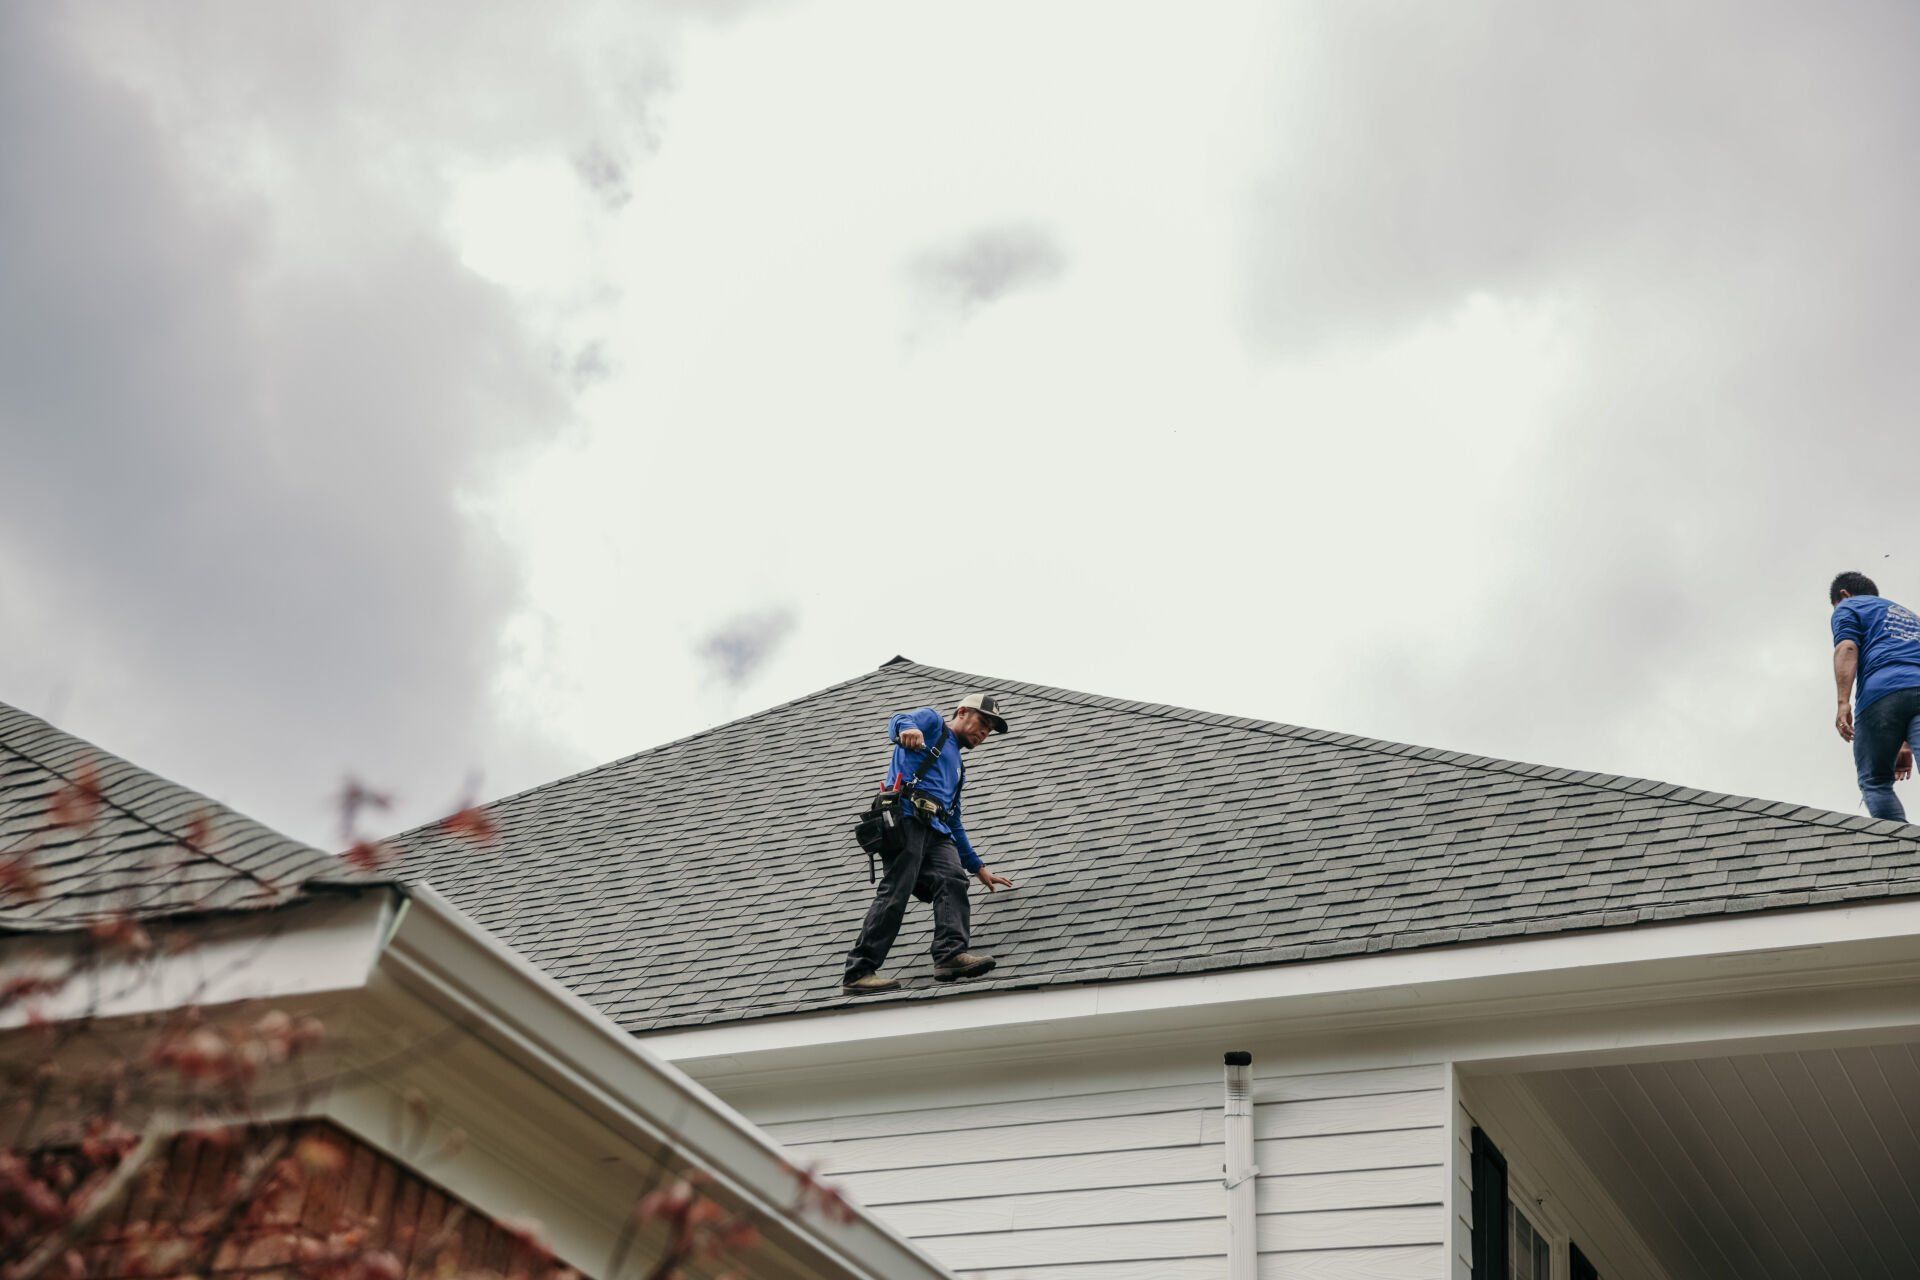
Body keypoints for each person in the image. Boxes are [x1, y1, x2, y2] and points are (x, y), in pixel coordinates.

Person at [842, 692, 1016, 994]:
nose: (984, 733)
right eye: (982, 723)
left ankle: (949, 955)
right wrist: (906, 730)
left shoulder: (958, 769)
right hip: (907, 818)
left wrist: (978, 867)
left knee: (953, 879)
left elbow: (955, 821)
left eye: (989, 731)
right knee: (896, 892)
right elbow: (898, 719)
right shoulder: (933, 724)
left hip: (937, 830)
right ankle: (859, 972)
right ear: (962, 712)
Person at [1830, 571, 1920, 821]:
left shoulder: (1848, 606)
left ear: (1844, 594)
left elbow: (1847, 647)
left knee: (1875, 781)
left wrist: (1842, 702)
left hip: (1881, 694)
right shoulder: (1911, 616)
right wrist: (1904, 742)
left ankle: (1905, 854)